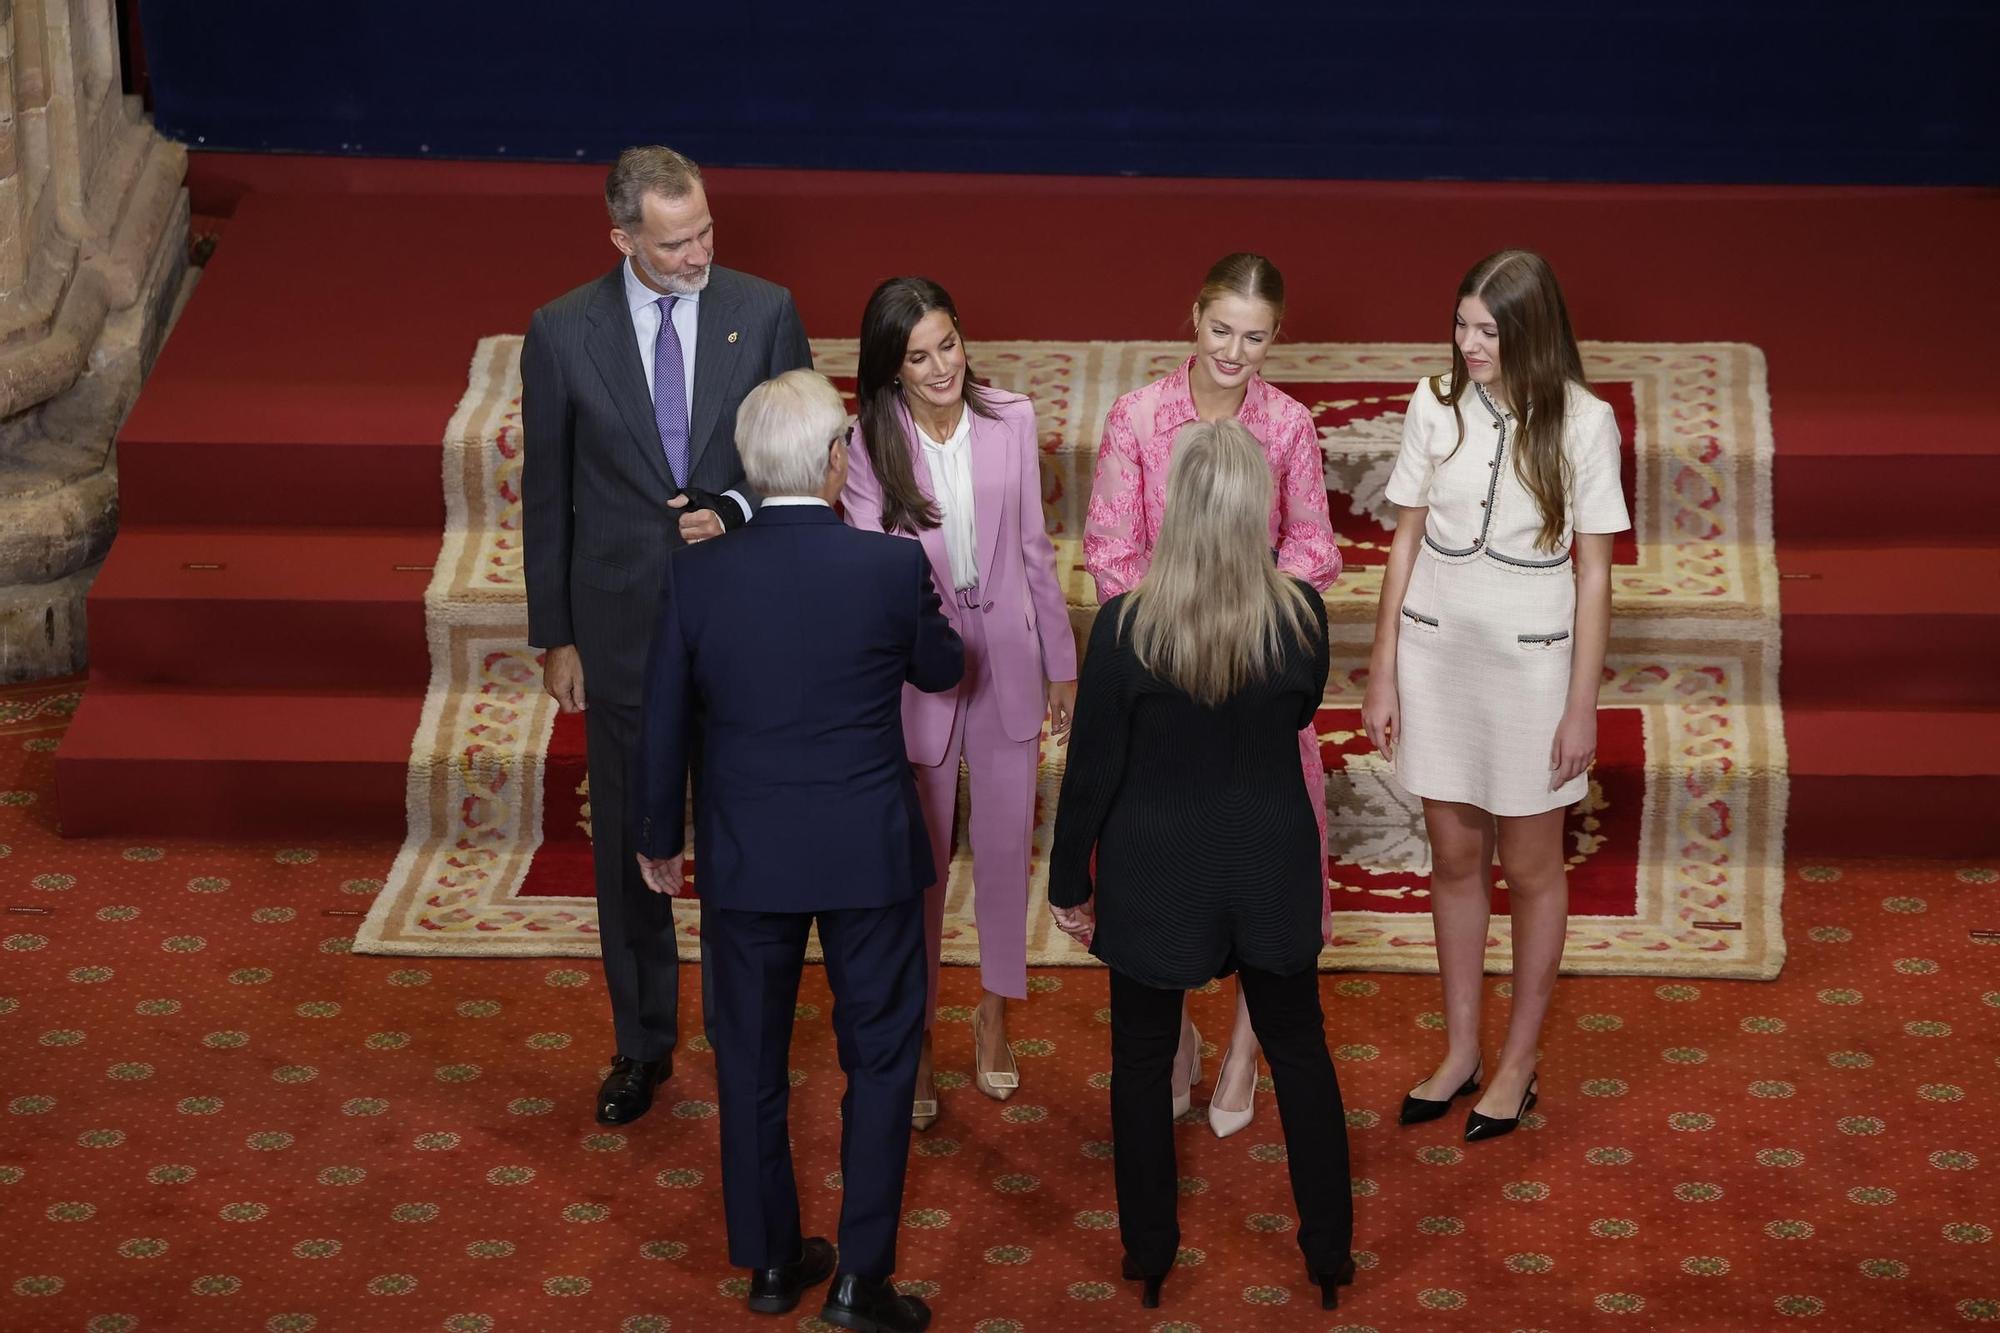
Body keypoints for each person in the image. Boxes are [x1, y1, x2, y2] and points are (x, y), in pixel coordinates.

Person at [633, 369, 960, 1331]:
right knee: (882, 1060)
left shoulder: (697, 574)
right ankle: (860, 1280)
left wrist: (660, 837)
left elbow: (661, 720)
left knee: (749, 1060)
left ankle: (774, 1264)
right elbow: (943, 667)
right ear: (834, 460)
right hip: (867, 853)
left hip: (747, 855)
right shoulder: (889, 568)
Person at [521, 145, 812, 1126]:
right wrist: (554, 636)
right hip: (618, 625)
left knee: (737, 840)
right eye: (675, 242)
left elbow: (810, 453)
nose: (697, 255)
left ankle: (742, 1035)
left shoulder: (765, 310)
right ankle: (640, 1044)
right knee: (627, 852)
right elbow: (549, 494)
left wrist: (734, 503)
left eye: (705, 234)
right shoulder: (562, 332)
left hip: (739, 619)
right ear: (622, 239)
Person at [1051, 419, 1354, 1311]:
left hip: (1155, 872)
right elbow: (1299, 712)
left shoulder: (1123, 627)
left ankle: (1148, 1254)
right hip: (1272, 863)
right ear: (1260, 511)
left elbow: (1092, 771)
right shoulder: (1302, 618)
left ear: (1177, 509)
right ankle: (1329, 1254)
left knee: (1142, 1064)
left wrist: (1070, 883)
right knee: (1300, 1052)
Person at [1361, 249, 1630, 1142]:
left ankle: (1518, 1059)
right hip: (1438, 658)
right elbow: (1403, 541)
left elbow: (1594, 577)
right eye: (1462, 324)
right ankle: (1461, 1048)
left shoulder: (1586, 424)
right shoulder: (1432, 405)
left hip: (1532, 669)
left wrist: (1581, 704)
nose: (1469, 344)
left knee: (1532, 866)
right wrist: (1383, 662)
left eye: (1489, 330)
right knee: (1452, 857)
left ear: (1531, 332)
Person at [1082, 252, 1340, 1138]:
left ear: (1277, 337)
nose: (1235, 351)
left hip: (1257, 676)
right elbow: (1110, 550)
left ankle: (1242, 1051)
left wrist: (1250, 608)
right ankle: (1178, 1028)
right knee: (1164, 878)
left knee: (1267, 889)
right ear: (1193, 317)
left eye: (1256, 337)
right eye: (1221, 329)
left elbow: (1315, 548)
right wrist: (1179, 624)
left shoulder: (1290, 425)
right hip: (1161, 672)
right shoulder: (1138, 417)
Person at [840, 277, 1078, 1128]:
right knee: (925, 871)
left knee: (1008, 853)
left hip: (1010, 660)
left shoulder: (1009, 418)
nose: (941, 367)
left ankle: (993, 1014)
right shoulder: (869, 442)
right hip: (921, 671)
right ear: (891, 368)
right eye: (918, 356)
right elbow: (870, 574)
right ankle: (923, 1034)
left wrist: (1062, 663)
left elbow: (1035, 550)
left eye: (949, 344)